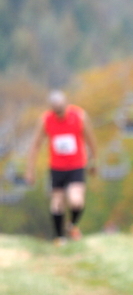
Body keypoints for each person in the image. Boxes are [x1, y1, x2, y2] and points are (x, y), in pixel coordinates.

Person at [25, 91, 99, 244]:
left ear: (66, 104)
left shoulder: (79, 116)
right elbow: (35, 145)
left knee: (76, 200)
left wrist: (94, 161)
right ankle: (59, 237)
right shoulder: (46, 120)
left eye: (60, 109)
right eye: (55, 110)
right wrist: (30, 170)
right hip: (57, 167)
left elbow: (91, 140)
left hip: (76, 165)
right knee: (57, 202)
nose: (58, 113)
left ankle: (72, 225)